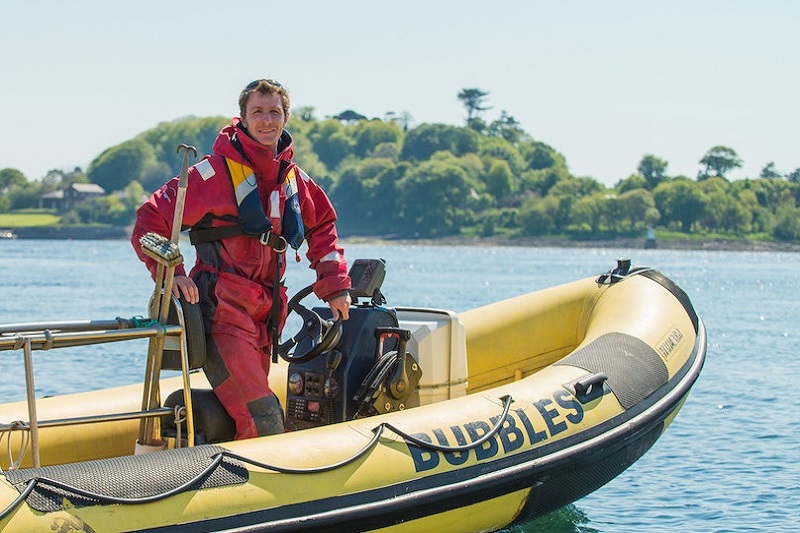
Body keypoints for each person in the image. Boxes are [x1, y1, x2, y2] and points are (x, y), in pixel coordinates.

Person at [132, 79, 351, 439]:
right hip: (222, 315)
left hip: (265, 317)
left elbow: (323, 228)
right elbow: (149, 221)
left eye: (274, 112)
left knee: (253, 414)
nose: (267, 120)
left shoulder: (294, 180)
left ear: (286, 118)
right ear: (243, 119)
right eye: (258, 112)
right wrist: (173, 272)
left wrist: (335, 287)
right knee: (262, 415)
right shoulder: (212, 174)